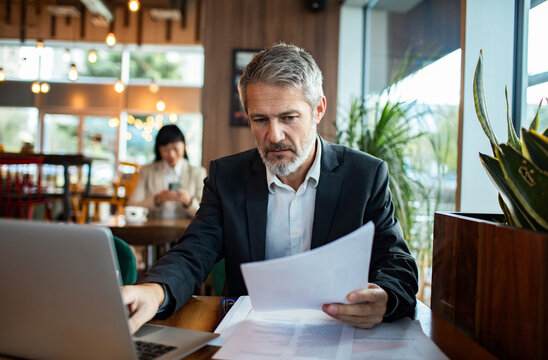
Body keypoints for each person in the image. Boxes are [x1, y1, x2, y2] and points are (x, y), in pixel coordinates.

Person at [122, 43, 418, 334]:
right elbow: (193, 251)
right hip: (250, 335)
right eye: (260, 120)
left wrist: (385, 298)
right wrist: (154, 290)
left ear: (318, 109)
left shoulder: (365, 176)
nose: (274, 136)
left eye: (289, 118)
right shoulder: (227, 177)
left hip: (337, 332)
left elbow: (397, 262)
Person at [129, 125, 206, 219]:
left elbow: (206, 214)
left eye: (175, 148)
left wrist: (189, 202)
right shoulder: (147, 171)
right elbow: (132, 207)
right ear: (159, 150)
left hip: (188, 231)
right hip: (153, 230)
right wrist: (157, 200)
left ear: (183, 145)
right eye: (166, 150)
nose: (171, 154)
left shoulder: (198, 172)